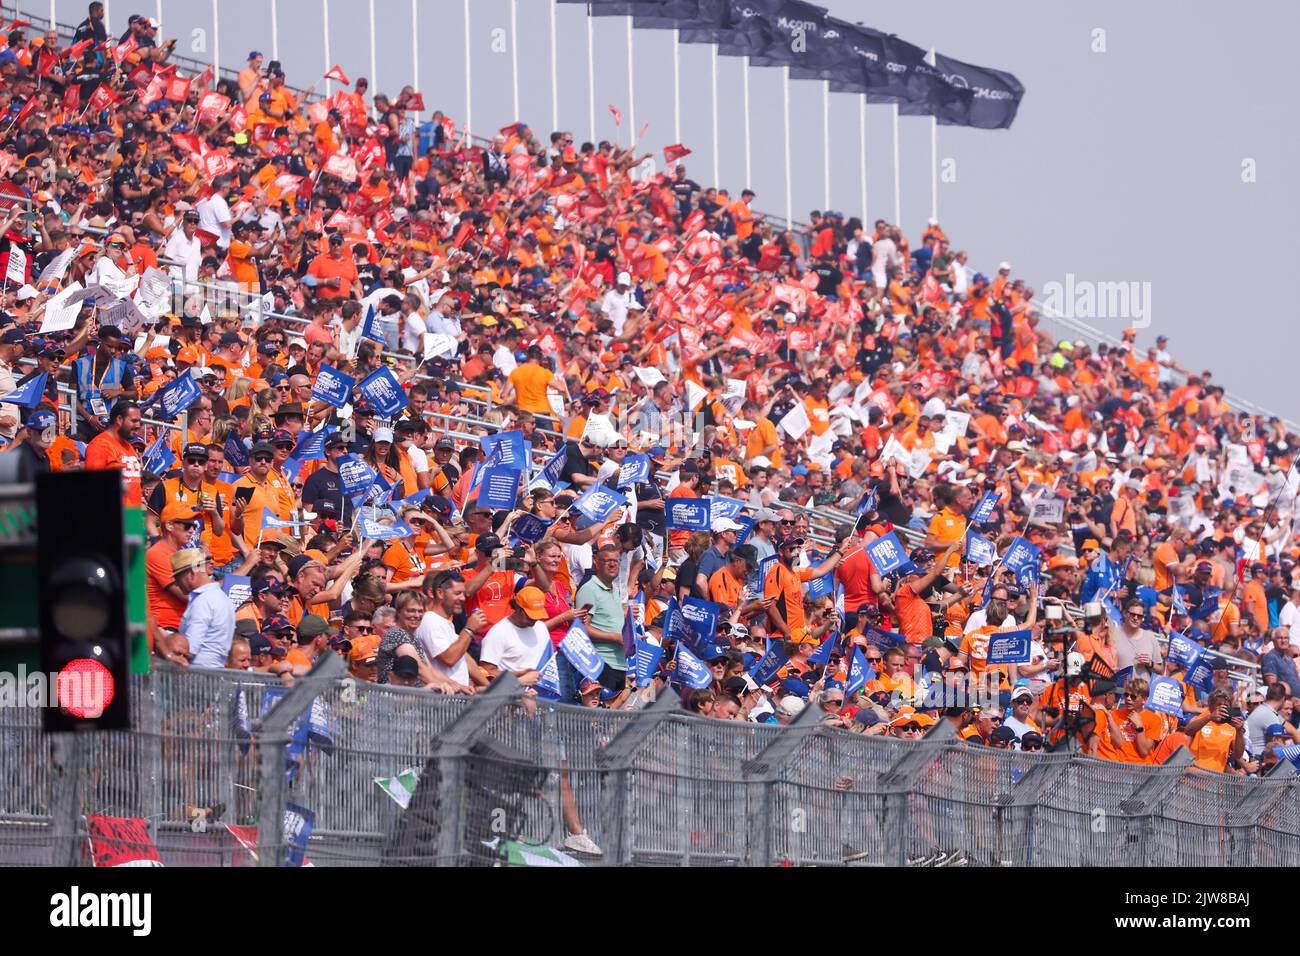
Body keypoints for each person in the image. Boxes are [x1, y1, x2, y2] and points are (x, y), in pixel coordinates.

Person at [173, 548, 235, 668]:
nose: (177, 583)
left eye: (178, 577)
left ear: (191, 573)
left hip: (198, 677)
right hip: (214, 672)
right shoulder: (221, 597)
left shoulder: (202, 601)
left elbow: (190, 648)